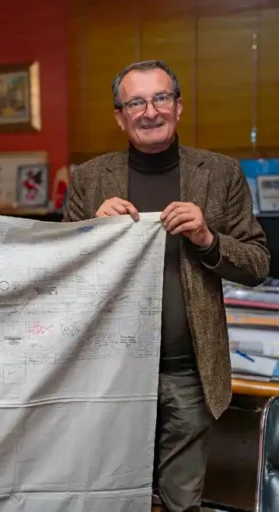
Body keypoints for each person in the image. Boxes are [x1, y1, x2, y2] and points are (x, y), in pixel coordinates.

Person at [63, 60, 270, 511]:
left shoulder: (221, 173)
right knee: (110, 499)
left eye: (160, 98)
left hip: (188, 373)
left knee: (182, 502)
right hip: (110, 372)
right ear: (120, 116)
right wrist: (91, 232)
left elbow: (257, 264)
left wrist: (208, 238)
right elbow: (63, 278)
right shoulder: (89, 179)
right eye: (136, 102)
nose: (150, 111)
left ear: (178, 106)